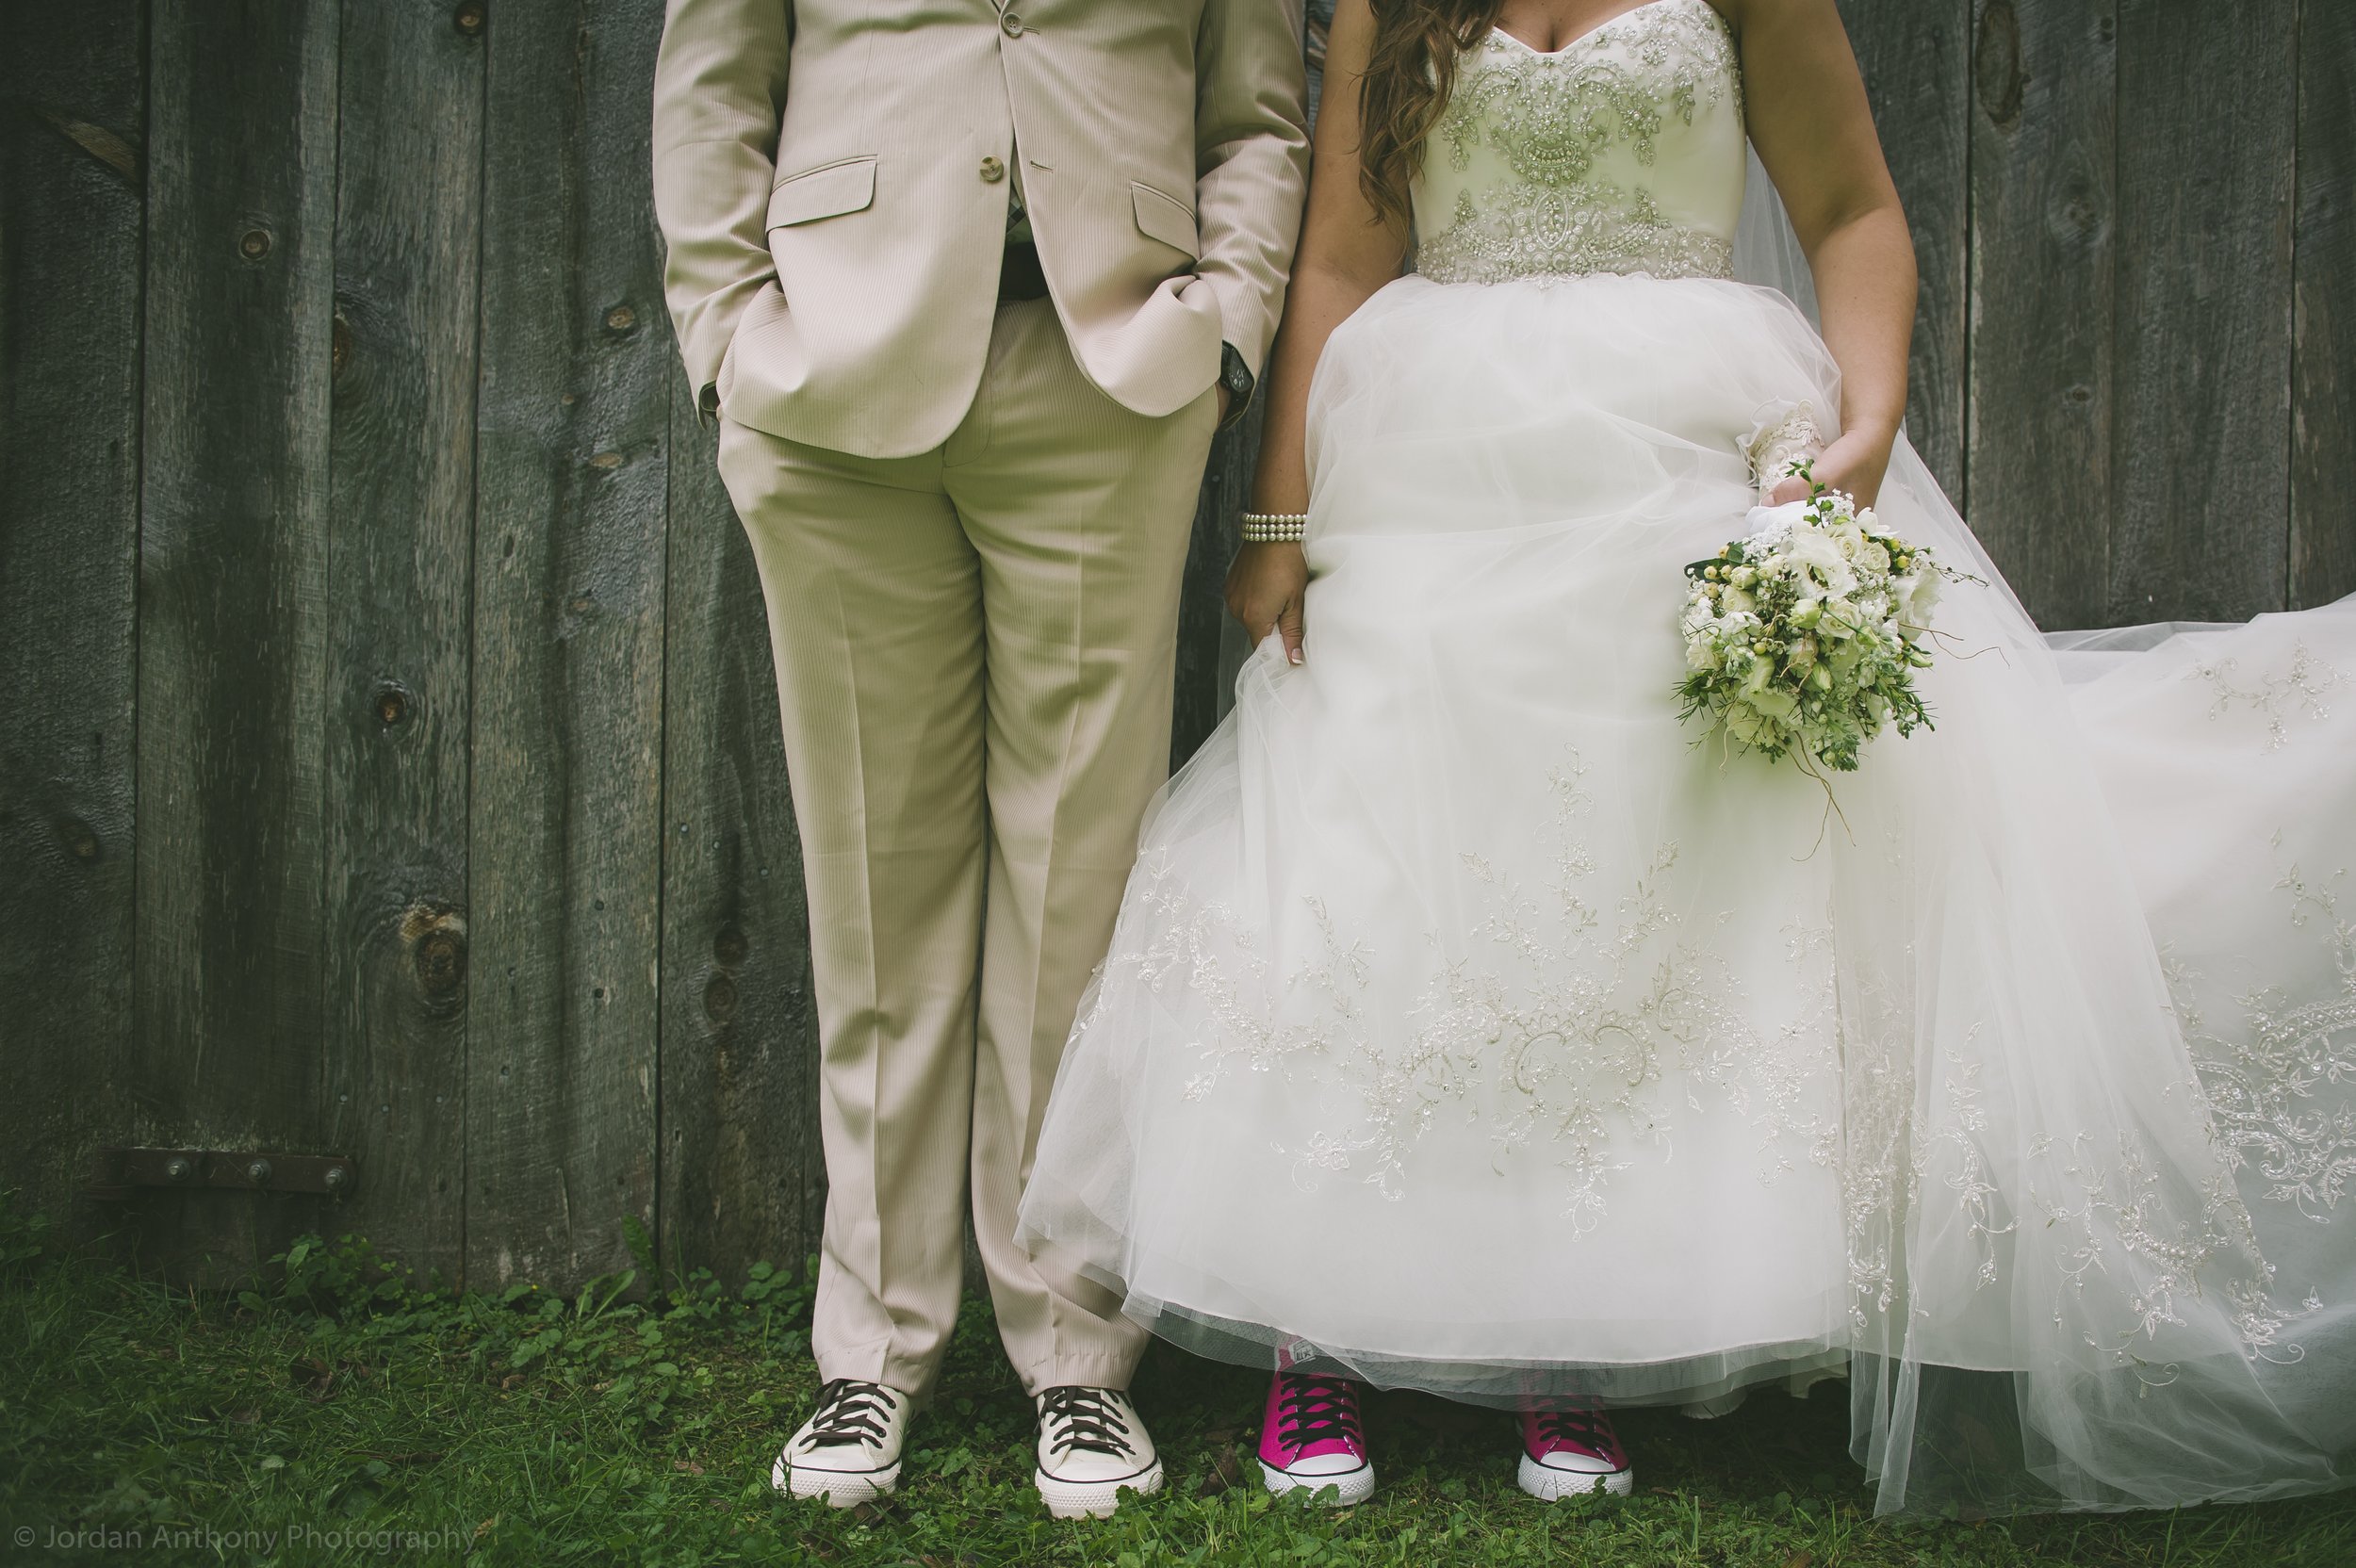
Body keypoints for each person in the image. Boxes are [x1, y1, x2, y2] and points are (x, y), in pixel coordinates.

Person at [1017, 0, 2356, 1517]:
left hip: (1683, 445)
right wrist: (1276, 523)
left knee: (1620, 879)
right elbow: (1338, 251)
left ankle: (1569, 1321)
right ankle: (1314, 1327)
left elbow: (1849, 207)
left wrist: (1866, 422)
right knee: (1376, 852)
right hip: (1423, 454)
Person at [650, 0, 1311, 1520]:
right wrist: (725, 342)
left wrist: (1223, 328)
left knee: (1078, 887)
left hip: (1114, 375)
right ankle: (870, 1350)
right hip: (831, 384)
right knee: (873, 886)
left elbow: (1261, 115)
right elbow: (713, 77)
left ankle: (1077, 1358)